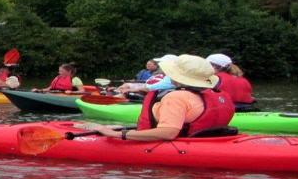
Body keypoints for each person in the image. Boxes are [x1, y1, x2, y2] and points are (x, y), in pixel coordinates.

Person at [90, 54, 235, 141]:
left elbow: (168, 133)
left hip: (180, 144)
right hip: (206, 140)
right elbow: (184, 125)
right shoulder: (212, 95)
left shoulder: (176, 97)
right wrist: (119, 128)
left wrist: (115, 134)